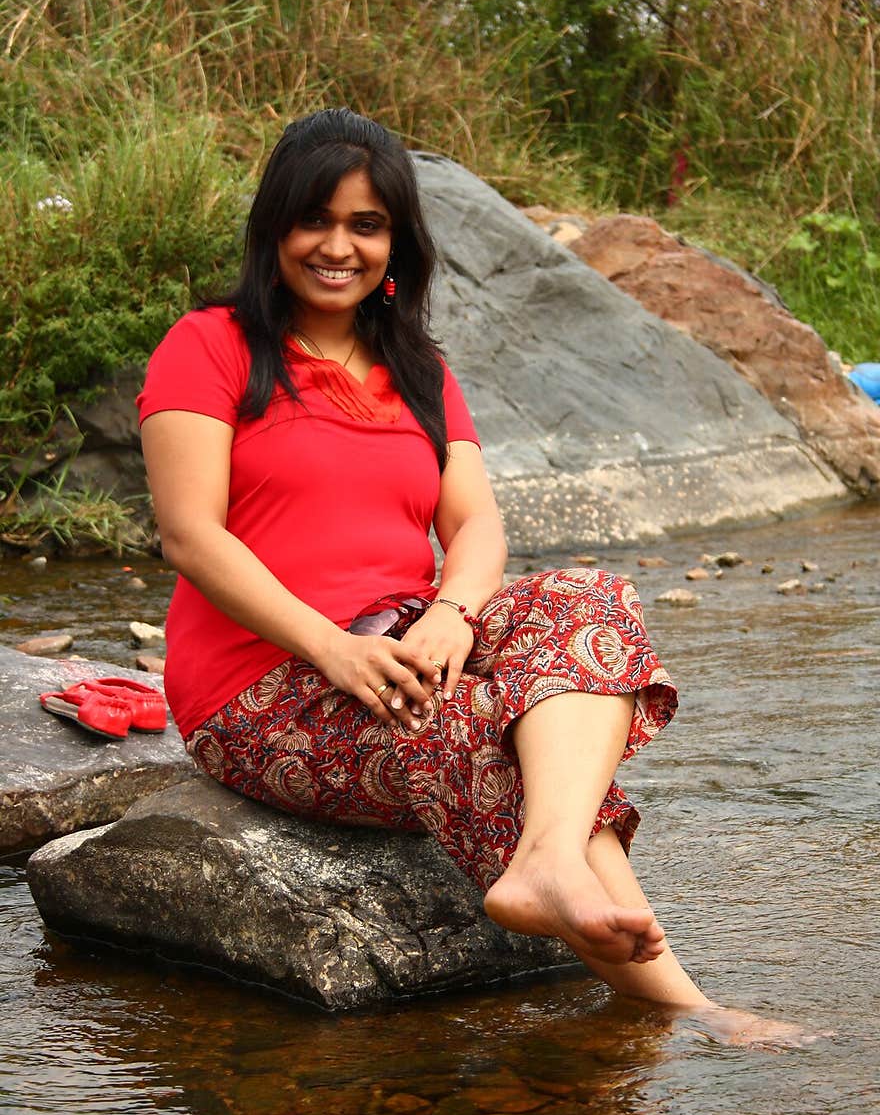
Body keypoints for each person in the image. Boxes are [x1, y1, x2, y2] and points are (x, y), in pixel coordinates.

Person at [138, 107, 814, 1048]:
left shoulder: (416, 367)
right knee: (473, 725)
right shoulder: (210, 345)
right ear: (273, 229)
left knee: (590, 595)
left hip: (407, 639)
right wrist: (331, 647)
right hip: (261, 687)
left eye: (366, 225)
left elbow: (477, 522)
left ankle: (545, 863)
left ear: (397, 243)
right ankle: (687, 1008)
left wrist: (455, 613)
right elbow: (190, 536)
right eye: (314, 221)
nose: (338, 247)